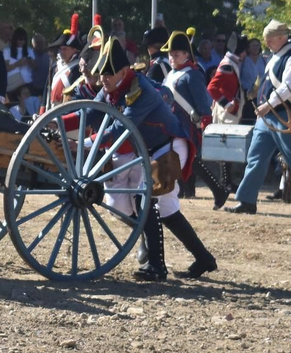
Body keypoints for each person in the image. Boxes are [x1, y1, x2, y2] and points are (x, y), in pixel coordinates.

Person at [84, 37, 216, 281]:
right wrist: (55, 122)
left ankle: (156, 266)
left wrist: (84, 143)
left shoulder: (140, 90)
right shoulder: (110, 87)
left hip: (169, 146)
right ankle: (204, 258)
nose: (103, 79)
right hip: (146, 150)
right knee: (165, 210)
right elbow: (89, 112)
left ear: (124, 71)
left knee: (146, 197)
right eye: (102, 74)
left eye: (109, 74)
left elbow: (122, 128)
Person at [226, 20, 291, 217]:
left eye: (269, 39)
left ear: (281, 38)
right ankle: (246, 200)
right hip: (268, 114)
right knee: (256, 157)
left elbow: (287, 87)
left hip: (286, 115)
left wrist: (267, 105)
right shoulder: (276, 55)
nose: (266, 43)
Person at [159, 28, 227, 208]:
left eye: (176, 54)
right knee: (186, 159)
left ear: (186, 55)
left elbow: (202, 102)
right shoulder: (172, 74)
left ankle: (215, 190)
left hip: (185, 123)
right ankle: (214, 190)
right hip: (171, 121)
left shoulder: (193, 74)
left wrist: (205, 122)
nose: (171, 58)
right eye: (170, 54)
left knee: (188, 159)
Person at [4, 26, 35, 95]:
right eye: (19, 39)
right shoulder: (7, 51)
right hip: (14, 83)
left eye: (24, 39)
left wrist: (29, 62)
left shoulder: (29, 50)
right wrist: (17, 64)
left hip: (27, 82)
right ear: (15, 39)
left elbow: (35, 67)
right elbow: (4, 69)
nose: (22, 41)